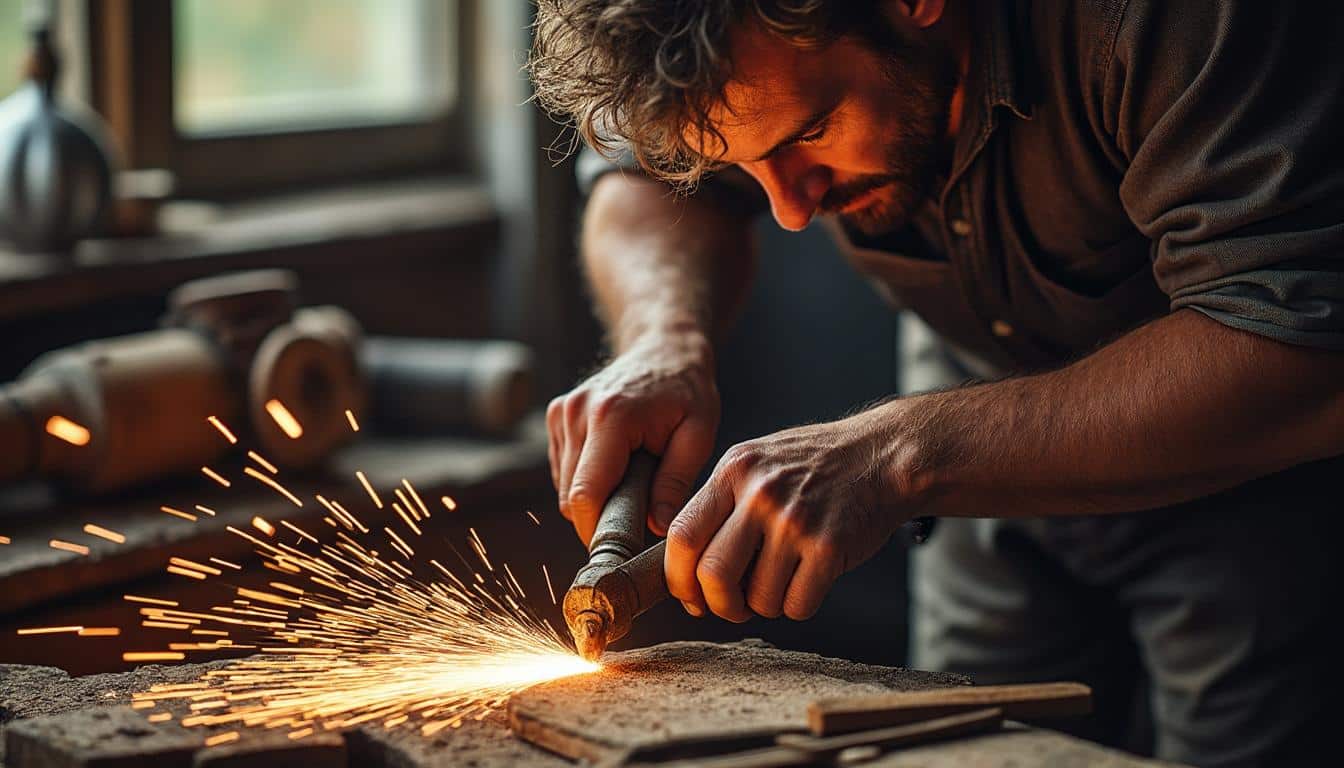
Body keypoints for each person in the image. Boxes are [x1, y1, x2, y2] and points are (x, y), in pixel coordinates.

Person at [527, 2, 1343, 765]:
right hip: (965, 441)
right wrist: (662, 337)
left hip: (1250, 458)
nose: (790, 210)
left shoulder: (1165, 22)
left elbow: (1301, 348)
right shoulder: (749, 43)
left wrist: (900, 453)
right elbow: (639, 181)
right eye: (743, 161)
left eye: (810, 132)